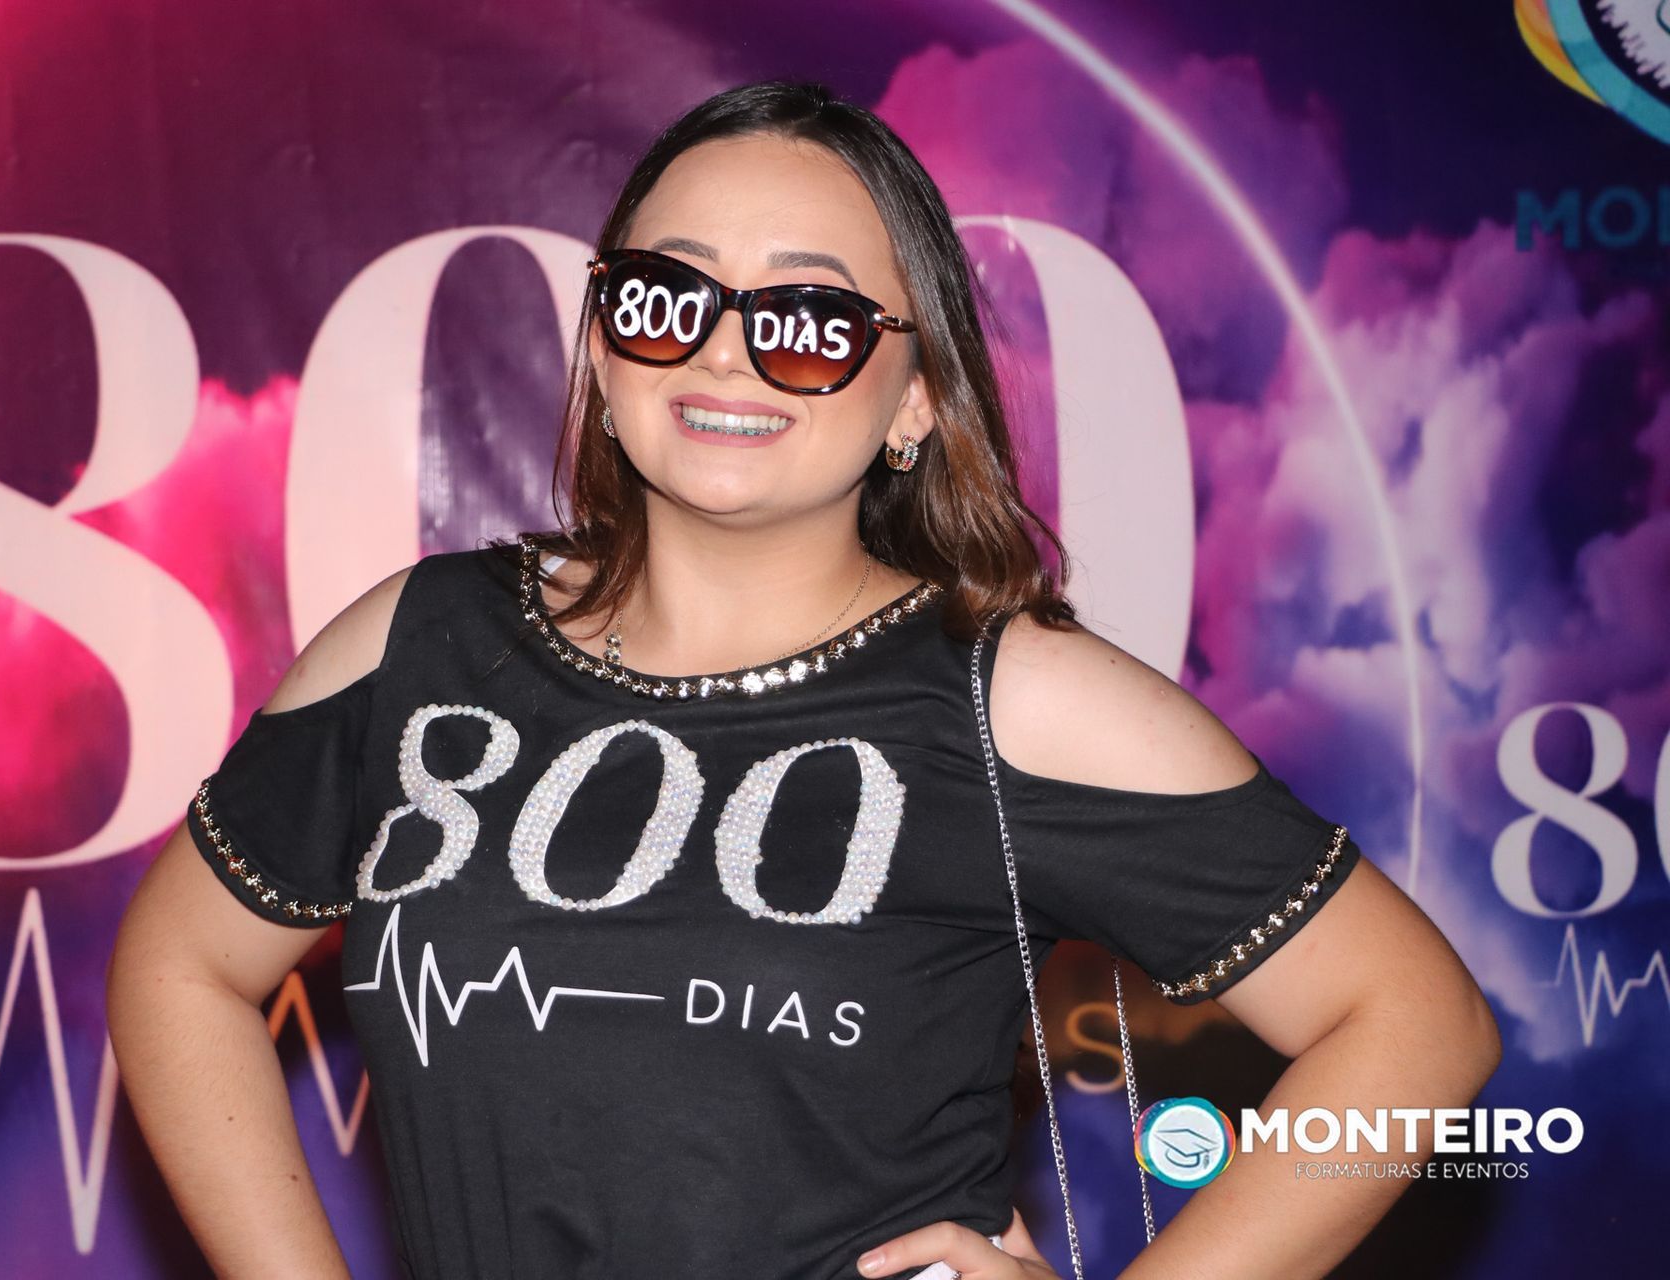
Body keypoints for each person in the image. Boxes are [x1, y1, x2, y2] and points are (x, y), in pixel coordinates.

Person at [106, 81, 1500, 1280]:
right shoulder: (419, 646)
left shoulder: (1013, 703)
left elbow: (1416, 1027)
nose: (726, 350)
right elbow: (181, 967)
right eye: (668, 297)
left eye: (812, 318)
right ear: (602, 346)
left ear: (915, 398)